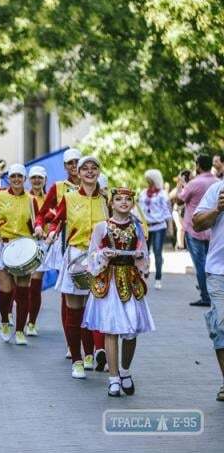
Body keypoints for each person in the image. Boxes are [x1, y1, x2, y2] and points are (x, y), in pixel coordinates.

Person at [38, 156, 108, 379]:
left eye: (93, 168)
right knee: (74, 308)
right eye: (84, 168)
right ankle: (77, 360)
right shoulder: (68, 198)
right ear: (78, 172)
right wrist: (47, 233)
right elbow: (56, 220)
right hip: (75, 255)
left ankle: (90, 354)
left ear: (99, 171)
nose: (89, 172)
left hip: (99, 259)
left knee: (92, 308)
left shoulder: (107, 199)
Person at [83, 187, 155, 396]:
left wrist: (141, 259)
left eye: (127, 199)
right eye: (118, 199)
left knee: (131, 330)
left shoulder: (138, 227)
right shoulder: (102, 227)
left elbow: (143, 253)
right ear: (111, 203)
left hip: (130, 280)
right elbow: (92, 255)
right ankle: (113, 377)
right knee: (111, 329)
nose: (123, 202)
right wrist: (103, 255)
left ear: (133, 203)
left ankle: (125, 371)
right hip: (110, 280)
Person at [0, 163, 39, 345]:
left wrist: (38, 229)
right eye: (13, 176)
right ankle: (5, 320)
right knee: (5, 290)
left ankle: (20, 330)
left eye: (19, 177)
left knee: (23, 291)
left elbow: (36, 223)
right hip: (3, 246)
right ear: (9, 178)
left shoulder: (31, 200)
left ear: (24, 179)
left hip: (24, 248)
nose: (16, 180)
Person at [192, 177, 224, 401]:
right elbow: (197, 223)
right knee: (221, 326)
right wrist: (217, 209)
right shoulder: (217, 189)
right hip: (219, 272)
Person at [175, 154, 218, 306]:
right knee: (211, 262)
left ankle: (205, 296)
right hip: (212, 229)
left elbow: (179, 200)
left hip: (194, 229)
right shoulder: (217, 182)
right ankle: (214, 294)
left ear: (198, 166)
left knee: (200, 264)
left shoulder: (194, 183)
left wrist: (181, 184)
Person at [138, 169, 171, 289]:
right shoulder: (143, 193)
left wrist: (170, 228)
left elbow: (167, 212)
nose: (147, 180)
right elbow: (139, 211)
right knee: (144, 252)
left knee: (157, 251)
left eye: (149, 178)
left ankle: (158, 277)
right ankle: (143, 273)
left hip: (159, 226)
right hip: (146, 226)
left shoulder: (162, 194)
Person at [26, 165, 49, 336]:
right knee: (22, 286)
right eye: (33, 177)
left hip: (41, 244)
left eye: (39, 178)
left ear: (45, 180)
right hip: (22, 244)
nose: (36, 181)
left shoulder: (50, 199)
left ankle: (31, 322)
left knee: (35, 285)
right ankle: (19, 316)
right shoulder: (23, 198)